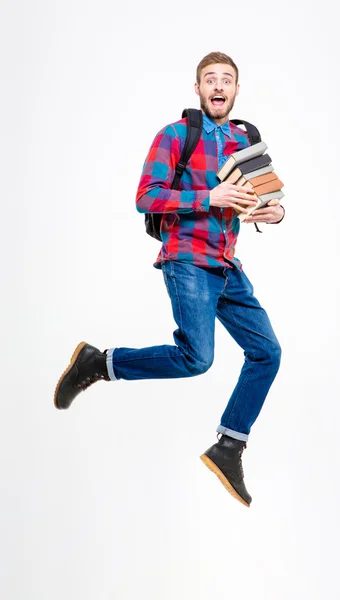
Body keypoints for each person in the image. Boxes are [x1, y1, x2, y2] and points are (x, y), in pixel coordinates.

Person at [54, 52, 284, 508]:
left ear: (237, 90)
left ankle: (229, 445)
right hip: (187, 259)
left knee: (267, 353)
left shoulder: (247, 139)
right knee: (197, 358)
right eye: (210, 79)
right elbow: (146, 198)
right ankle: (100, 363)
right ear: (197, 89)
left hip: (226, 264)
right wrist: (209, 194)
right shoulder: (177, 134)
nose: (219, 86)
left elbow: (269, 198)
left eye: (227, 80)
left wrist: (273, 212)